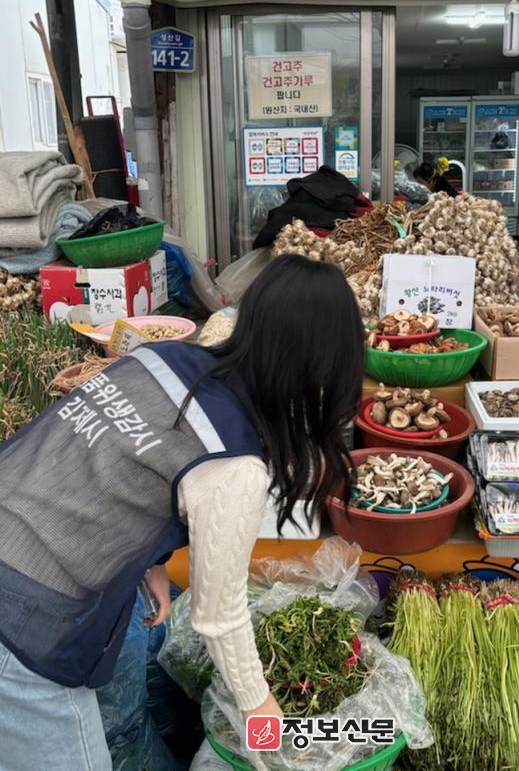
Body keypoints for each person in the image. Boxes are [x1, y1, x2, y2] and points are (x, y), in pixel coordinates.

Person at [0, 254, 364, 771]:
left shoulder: (165, 359)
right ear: (322, 367)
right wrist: (260, 707)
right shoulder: (235, 464)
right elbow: (219, 617)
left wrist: (151, 561)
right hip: (21, 619)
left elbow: (117, 457)